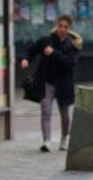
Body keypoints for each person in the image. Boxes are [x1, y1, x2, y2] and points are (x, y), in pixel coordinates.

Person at [20, 14, 81, 152]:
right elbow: (31, 50)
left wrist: (53, 53)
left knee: (64, 114)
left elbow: (69, 62)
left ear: (69, 29)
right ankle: (46, 140)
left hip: (63, 85)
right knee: (46, 110)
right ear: (56, 25)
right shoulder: (46, 41)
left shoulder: (72, 45)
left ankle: (64, 138)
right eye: (60, 25)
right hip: (47, 82)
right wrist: (25, 60)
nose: (62, 29)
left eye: (65, 27)